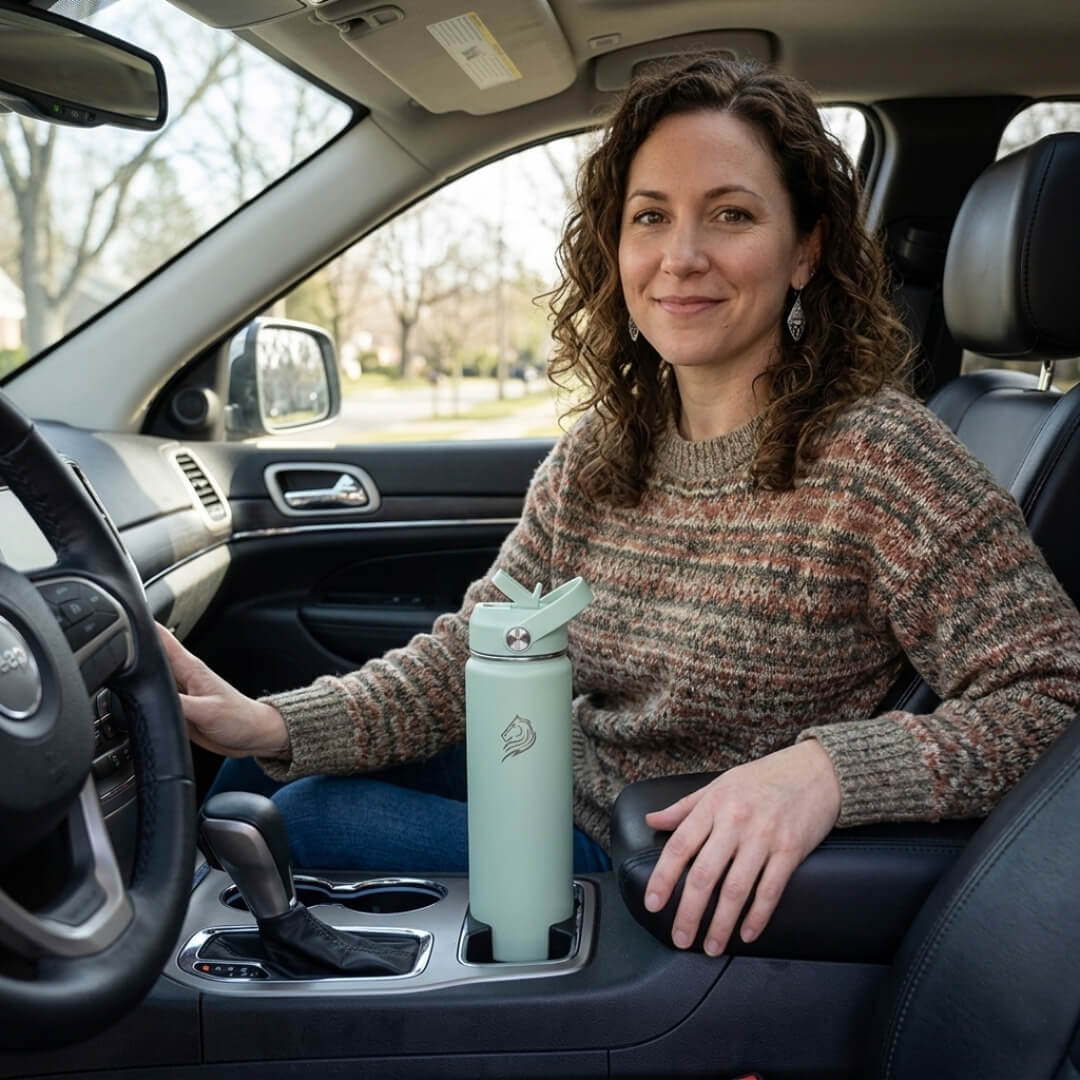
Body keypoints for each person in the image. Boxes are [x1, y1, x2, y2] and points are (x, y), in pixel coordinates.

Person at [160, 54, 1080, 959]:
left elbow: (1054, 695)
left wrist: (830, 772)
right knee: (259, 765)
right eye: (651, 216)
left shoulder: (882, 457)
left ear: (806, 252)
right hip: (555, 775)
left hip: (649, 860)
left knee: (305, 814)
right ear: (618, 245)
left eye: (731, 214)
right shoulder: (604, 451)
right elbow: (472, 654)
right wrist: (275, 722)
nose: (682, 256)